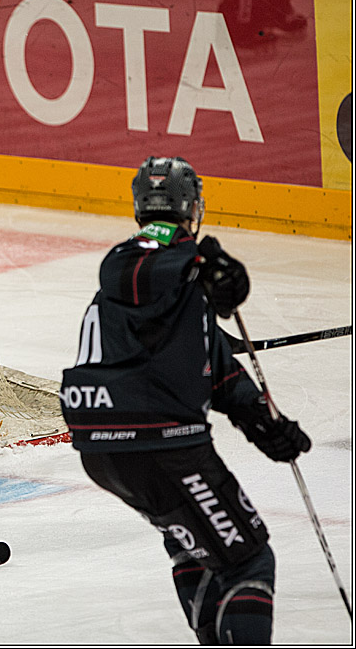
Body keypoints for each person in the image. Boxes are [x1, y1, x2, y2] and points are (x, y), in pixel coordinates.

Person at [60, 156, 312, 644]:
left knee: (192, 543)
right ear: (192, 208)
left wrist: (270, 427)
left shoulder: (181, 297)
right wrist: (199, 264)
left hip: (103, 449)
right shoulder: (146, 259)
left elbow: (221, 376)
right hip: (163, 445)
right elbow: (137, 269)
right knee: (248, 561)